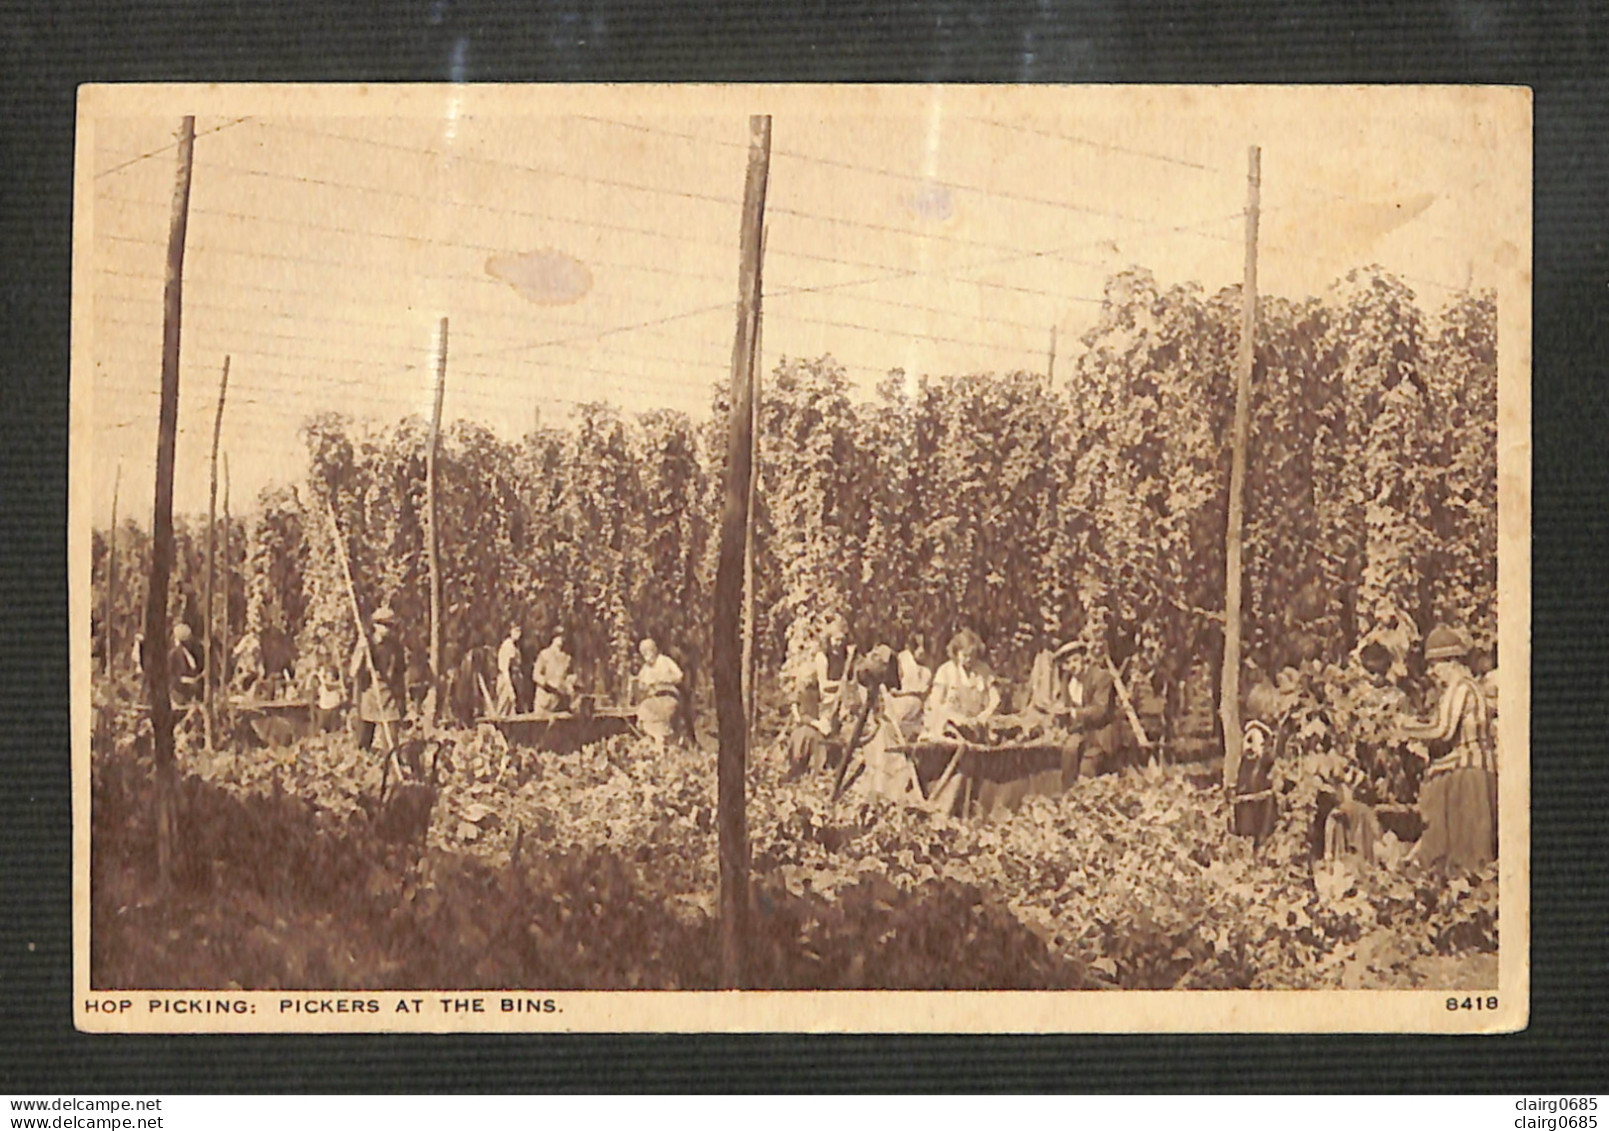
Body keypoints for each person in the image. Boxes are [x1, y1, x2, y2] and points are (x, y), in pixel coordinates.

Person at [1400, 625, 1498, 871]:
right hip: (1474, 768)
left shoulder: (1462, 687)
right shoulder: (1467, 687)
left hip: (1470, 773)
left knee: (1465, 849)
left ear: (1452, 661)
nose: (1433, 672)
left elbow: (1441, 730)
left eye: (1436, 665)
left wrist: (1404, 729)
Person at [787, 615, 856, 776]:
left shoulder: (845, 655)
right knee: (823, 728)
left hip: (841, 697)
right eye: (835, 640)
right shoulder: (822, 657)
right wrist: (841, 684)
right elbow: (824, 686)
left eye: (841, 640)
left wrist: (847, 686)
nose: (838, 644)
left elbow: (851, 679)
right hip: (826, 698)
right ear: (829, 638)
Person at [1231, 680, 1288, 843]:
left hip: (1254, 781)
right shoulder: (1256, 732)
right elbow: (1260, 755)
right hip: (1254, 784)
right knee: (1254, 821)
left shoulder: (1259, 730)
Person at [921, 628, 1000, 740]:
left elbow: (995, 698)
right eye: (965, 655)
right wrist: (953, 717)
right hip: (949, 724)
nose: (969, 659)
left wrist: (985, 715)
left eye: (973, 655)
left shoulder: (984, 671)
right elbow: (935, 702)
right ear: (956, 653)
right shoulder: (946, 670)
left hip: (977, 724)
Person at [350, 604, 407, 754]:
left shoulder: (395, 647)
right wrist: (362, 650)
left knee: (391, 744)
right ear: (376, 625)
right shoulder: (366, 644)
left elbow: (400, 676)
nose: (389, 630)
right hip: (370, 695)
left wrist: (402, 701)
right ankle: (361, 770)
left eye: (391, 626)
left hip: (389, 697)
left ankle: (391, 771)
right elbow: (352, 671)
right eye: (385, 625)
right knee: (363, 742)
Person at [632, 637, 685, 746]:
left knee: (663, 712)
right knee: (643, 711)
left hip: (668, 696)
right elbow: (641, 685)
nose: (647, 656)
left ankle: (667, 738)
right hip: (653, 699)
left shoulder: (665, 661)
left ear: (654, 650)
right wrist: (644, 686)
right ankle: (657, 739)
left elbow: (679, 676)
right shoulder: (645, 668)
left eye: (648, 652)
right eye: (644, 653)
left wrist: (664, 680)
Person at [884, 631, 932, 740]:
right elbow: (893, 686)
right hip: (901, 702)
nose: (921, 650)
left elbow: (925, 691)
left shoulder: (927, 668)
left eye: (924, 646)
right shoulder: (902, 659)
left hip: (919, 708)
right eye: (917, 646)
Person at [531, 630, 578, 715]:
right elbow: (535, 675)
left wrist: (570, 682)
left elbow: (568, 676)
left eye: (563, 637)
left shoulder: (566, 657)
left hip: (559, 701)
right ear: (553, 638)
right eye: (558, 636)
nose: (561, 639)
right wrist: (547, 683)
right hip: (544, 699)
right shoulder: (544, 654)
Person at [169, 624, 203, 705]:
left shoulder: (194, 653)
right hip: (180, 694)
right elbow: (170, 677)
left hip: (194, 694)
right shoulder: (173, 655)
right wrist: (184, 680)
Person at [495, 624, 523, 716]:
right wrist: (509, 687)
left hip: (513, 679)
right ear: (510, 631)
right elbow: (505, 669)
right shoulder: (508, 646)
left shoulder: (515, 646)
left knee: (512, 709)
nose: (518, 634)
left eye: (519, 631)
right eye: (515, 631)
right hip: (506, 679)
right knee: (504, 707)